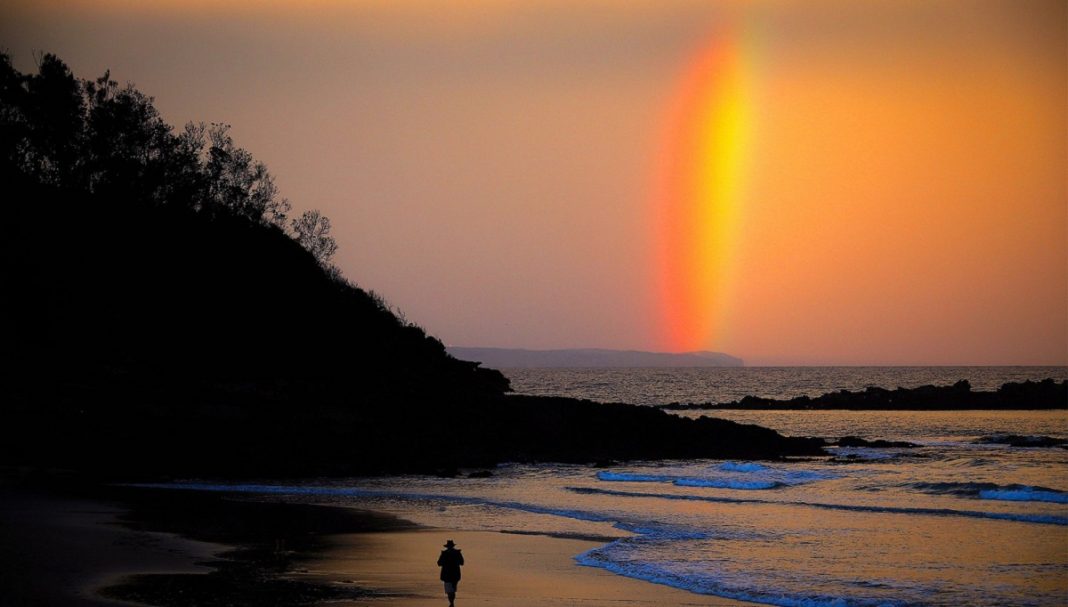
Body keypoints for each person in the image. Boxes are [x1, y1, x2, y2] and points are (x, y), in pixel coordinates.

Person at [437, 539, 464, 606]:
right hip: (455, 573)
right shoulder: (457, 553)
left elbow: (439, 563)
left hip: (446, 574)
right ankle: (452, 603)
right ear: (453, 546)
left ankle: (451, 603)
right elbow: (462, 563)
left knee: (449, 590)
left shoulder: (444, 553)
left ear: (447, 547)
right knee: (453, 589)